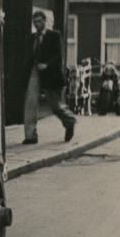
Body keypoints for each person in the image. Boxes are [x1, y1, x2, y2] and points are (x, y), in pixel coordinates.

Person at [22, 11, 76, 144]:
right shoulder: (32, 37)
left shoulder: (54, 35)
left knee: (55, 106)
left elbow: (59, 56)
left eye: (39, 21)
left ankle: (69, 121)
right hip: (35, 72)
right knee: (30, 102)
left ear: (45, 21)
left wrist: (46, 65)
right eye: (35, 22)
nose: (36, 24)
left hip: (51, 74)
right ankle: (31, 135)